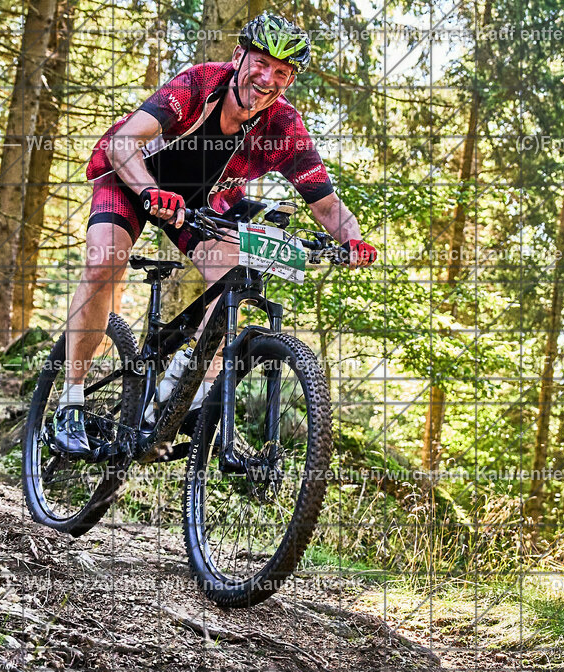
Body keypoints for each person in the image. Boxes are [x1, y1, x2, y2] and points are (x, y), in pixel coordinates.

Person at [53, 13, 378, 457]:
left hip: (200, 205)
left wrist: (351, 241)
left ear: (289, 81)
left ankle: (180, 391)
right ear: (239, 55)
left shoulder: (283, 127)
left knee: (232, 274)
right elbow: (123, 142)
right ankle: (70, 401)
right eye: (261, 63)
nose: (267, 78)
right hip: (134, 178)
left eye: (281, 72)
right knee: (104, 261)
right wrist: (150, 190)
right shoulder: (199, 85)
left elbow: (326, 204)